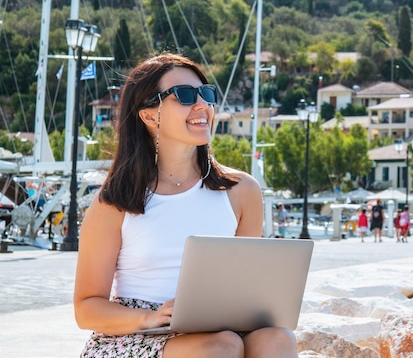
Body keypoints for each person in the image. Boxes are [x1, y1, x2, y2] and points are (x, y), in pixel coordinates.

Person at [73, 53, 297, 357]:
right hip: (137, 333)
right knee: (222, 347)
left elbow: (244, 288)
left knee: (277, 339)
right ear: (150, 115)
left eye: (206, 94)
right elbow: (86, 308)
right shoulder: (115, 202)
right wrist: (150, 317)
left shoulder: (241, 191)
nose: (202, 105)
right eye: (185, 95)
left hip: (213, 328)